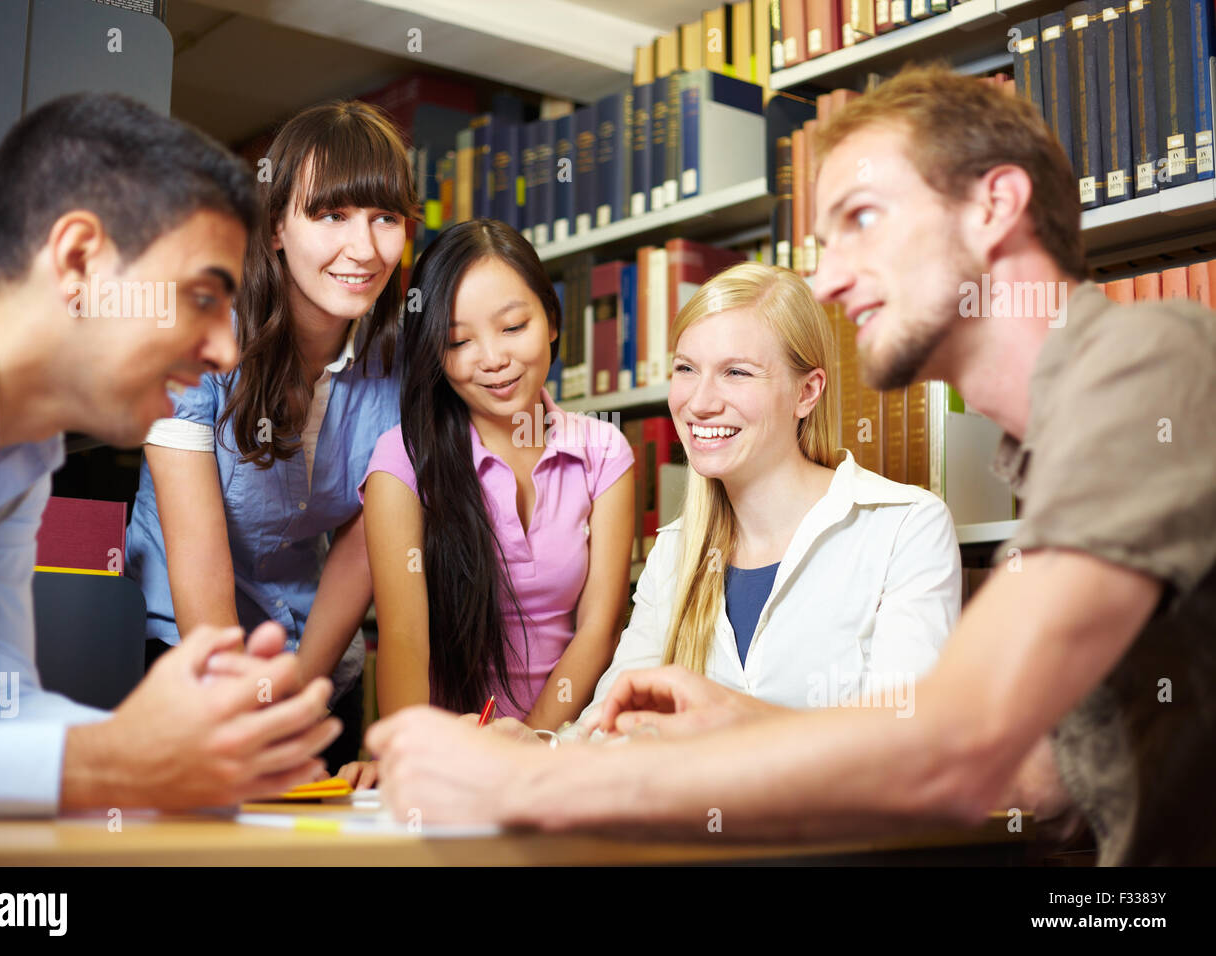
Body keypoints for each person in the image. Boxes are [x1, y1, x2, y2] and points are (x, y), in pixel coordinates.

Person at [364, 65, 1216, 866]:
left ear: (996, 204)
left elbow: (960, 744)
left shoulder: (1149, 364)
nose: (830, 277)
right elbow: (1034, 774)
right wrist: (728, 724)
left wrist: (540, 779)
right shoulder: (1054, 451)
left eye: (863, 219)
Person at [0, 93, 337, 819]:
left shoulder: (25, 452)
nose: (227, 350)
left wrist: (173, 748)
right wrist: (102, 761)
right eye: (202, 297)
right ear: (79, 259)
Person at [124, 100, 418, 775]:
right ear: (278, 226)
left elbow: (363, 545)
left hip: (313, 674)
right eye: (332, 215)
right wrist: (243, 708)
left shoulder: (402, 367)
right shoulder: (195, 338)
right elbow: (196, 559)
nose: (365, 249)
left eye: (385, 218)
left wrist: (298, 696)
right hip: (185, 663)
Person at [566, 261, 959, 730]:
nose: (700, 402)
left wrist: (734, 721)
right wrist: (536, 750)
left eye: (736, 372)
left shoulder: (906, 527)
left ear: (807, 392)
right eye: (686, 369)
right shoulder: (674, 548)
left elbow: (902, 741)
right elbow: (606, 732)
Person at [357, 218, 634, 748]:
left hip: (573, 744)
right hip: (456, 750)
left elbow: (598, 631)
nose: (493, 359)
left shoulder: (604, 452)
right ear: (436, 353)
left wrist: (529, 742)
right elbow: (404, 638)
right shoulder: (404, 458)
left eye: (512, 327)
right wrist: (413, 752)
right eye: (459, 340)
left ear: (551, 320)